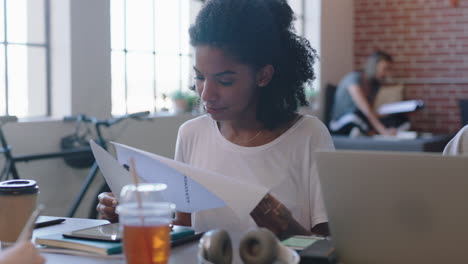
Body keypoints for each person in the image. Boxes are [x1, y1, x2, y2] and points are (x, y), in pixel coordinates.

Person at [97, 0, 333, 238]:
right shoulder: (191, 134)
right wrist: (131, 217)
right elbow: (184, 232)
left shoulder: (308, 136)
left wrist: (285, 226)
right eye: (200, 77)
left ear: (263, 75)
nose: (206, 94)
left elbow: (327, 249)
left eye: (225, 81)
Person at [329, 51, 401, 136]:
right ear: (374, 66)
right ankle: (367, 132)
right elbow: (367, 111)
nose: (386, 73)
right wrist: (383, 131)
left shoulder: (375, 85)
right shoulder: (353, 79)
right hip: (341, 123)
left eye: (389, 70)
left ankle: (366, 132)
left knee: (398, 119)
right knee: (354, 117)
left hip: (360, 120)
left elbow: (371, 111)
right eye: (385, 69)